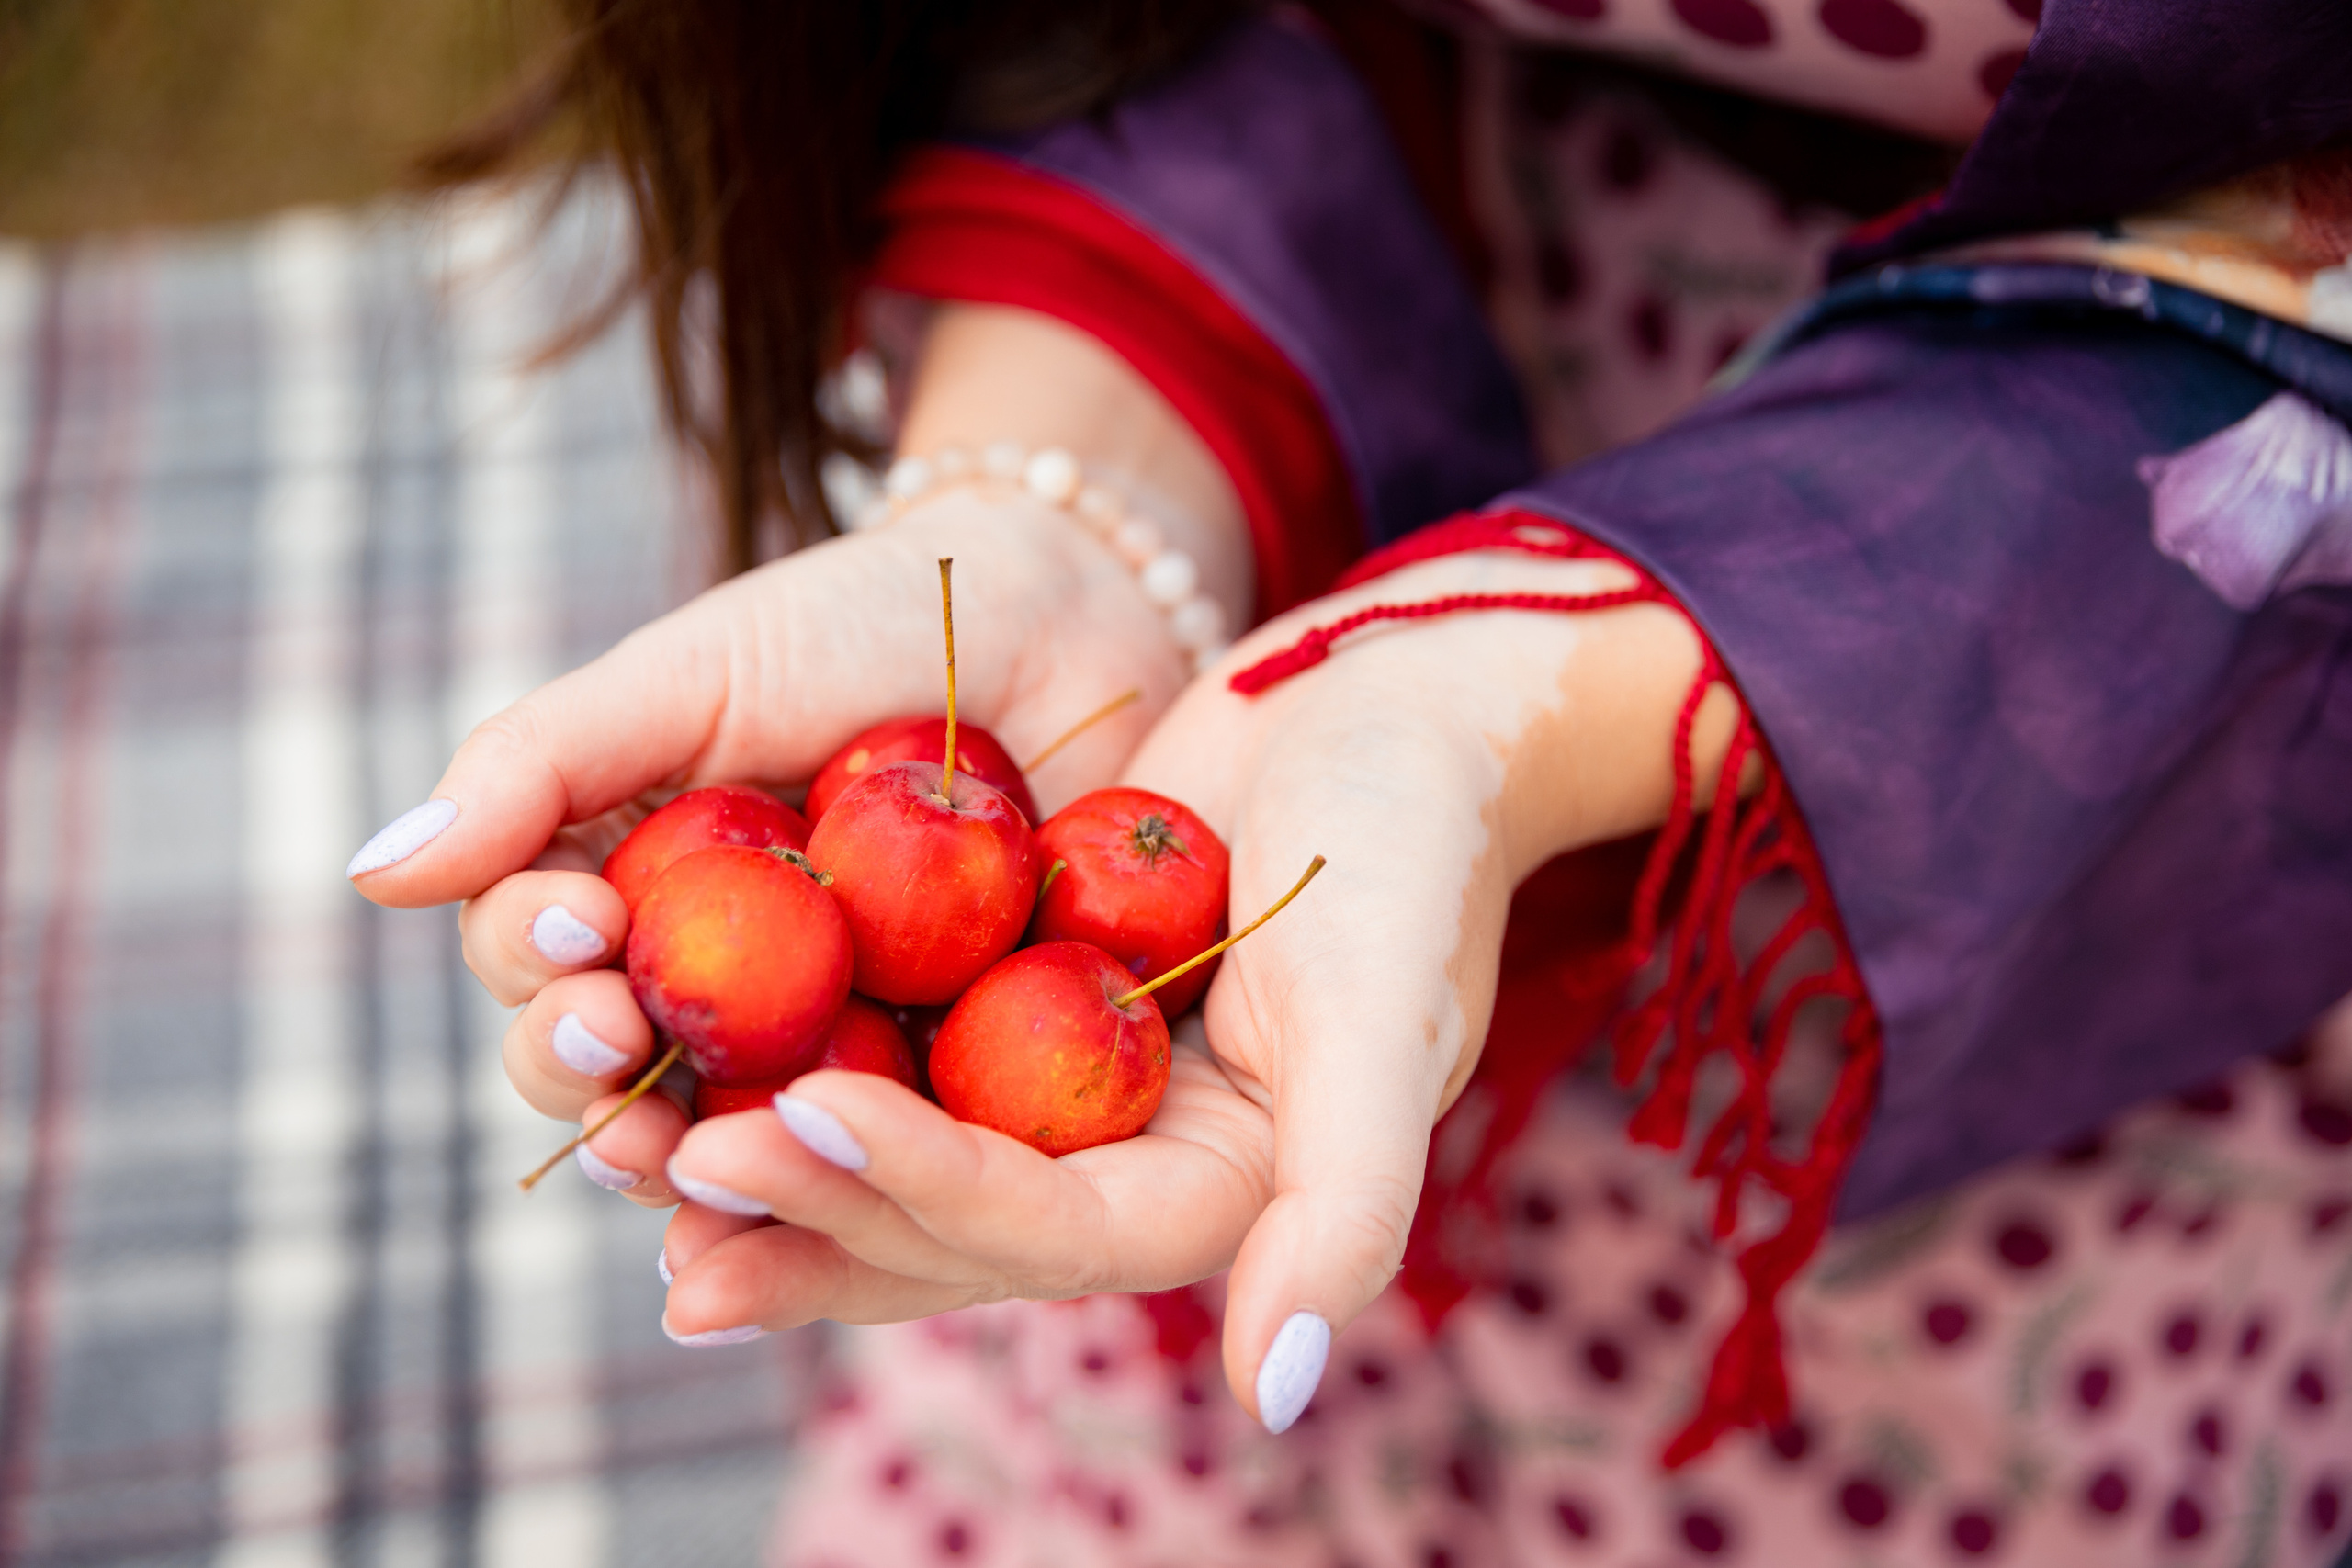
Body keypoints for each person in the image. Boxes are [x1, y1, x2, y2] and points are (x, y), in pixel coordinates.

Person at [353, 0, 2352, 1560]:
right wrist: (1076, 503)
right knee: (1263, 1206)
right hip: (1365, 395)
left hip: (2096, 571)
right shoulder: (1112, 824)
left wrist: (1517, 692)